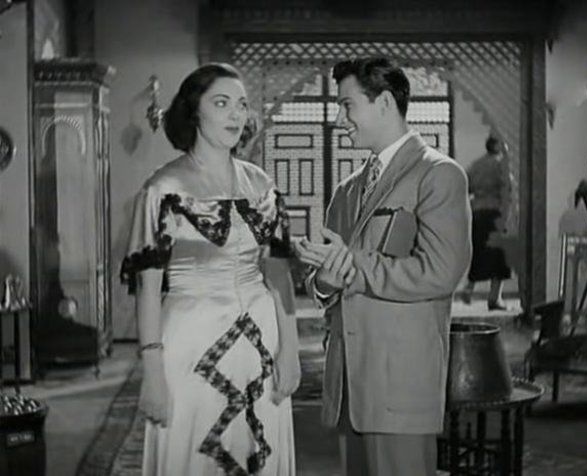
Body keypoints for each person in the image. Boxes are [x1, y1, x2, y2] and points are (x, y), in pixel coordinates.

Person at [294, 57, 472, 476]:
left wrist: (353, 265)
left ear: (386, 103)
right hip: (349, 384)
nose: (340, 119)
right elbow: (327, 281)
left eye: (347, 105)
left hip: (400, 383)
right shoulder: (346, 190)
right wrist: (324, 281)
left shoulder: (439, 175)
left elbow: (441, 272)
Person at [120, 63, 299, 476]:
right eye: (221, 103)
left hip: (261, 341)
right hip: (190, 339)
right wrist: (152, 373)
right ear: (194, 111)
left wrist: (289, 350)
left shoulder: (262, 185)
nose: (236, 114)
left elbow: (278, 274)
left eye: (242, 104)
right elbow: (148, 290)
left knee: (259, 451)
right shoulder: (162, 189)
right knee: (194, 453)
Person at [459, 135, 513, 310]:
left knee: (479, 253)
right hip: (496, 212)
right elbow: (508, 188)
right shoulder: (501, 164)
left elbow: (465, 187)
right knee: (500, 257)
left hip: (478, 212)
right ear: (498, 146)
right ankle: (495, 297)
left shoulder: (476, 165)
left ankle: (468, 289)